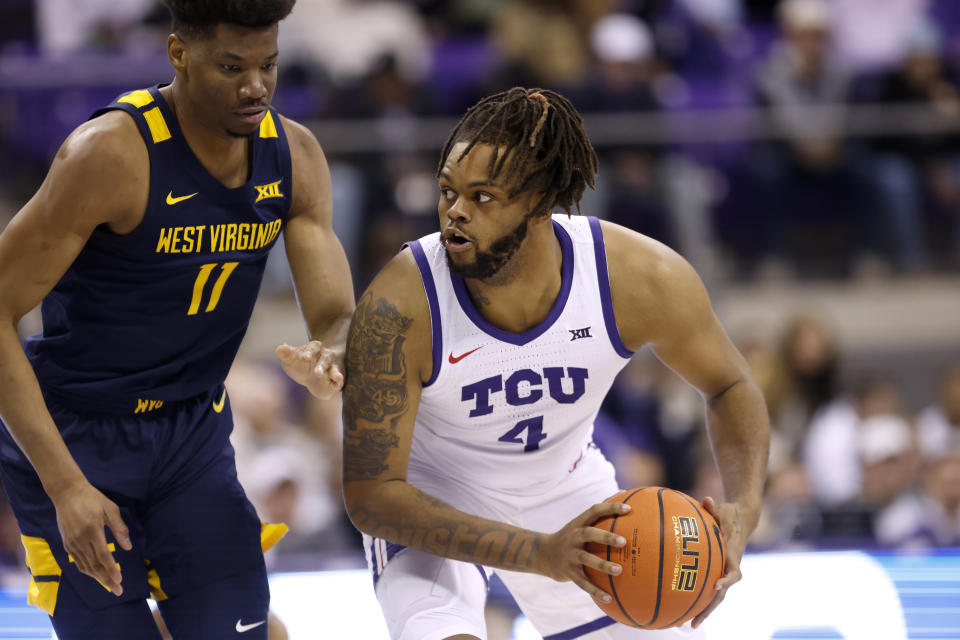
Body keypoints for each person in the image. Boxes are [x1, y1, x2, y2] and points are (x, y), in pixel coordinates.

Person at [340, 87, 770, 640]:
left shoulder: (639, 278)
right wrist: (538, 553)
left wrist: (744, 509)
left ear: (541, 202)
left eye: (483, 196)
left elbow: (730, 384)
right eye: (448, 191)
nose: (456, 212)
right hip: (429, 499)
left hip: (564, 486)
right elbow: (372, 497)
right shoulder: (400, 302)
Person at [0, 1, 354, 638]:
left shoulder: (293, 154)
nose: (255, 87)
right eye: (232, 67)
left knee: (240, 629)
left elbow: (336, 316)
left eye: (268, 65)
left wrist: (331, 354)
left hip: (191, 434)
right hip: (78, 436)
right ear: (178, 55)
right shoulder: (110, 154)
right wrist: (65, 487)